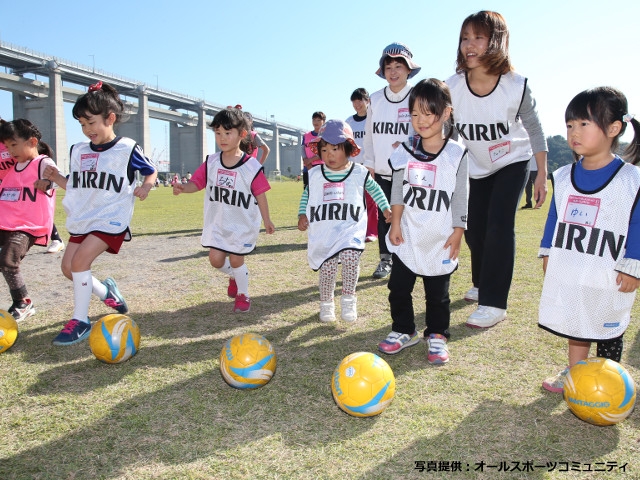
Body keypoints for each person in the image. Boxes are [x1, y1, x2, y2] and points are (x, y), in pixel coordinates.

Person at [446, 11, 548, 327]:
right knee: (474, 229)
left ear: (497, 41)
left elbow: (534, 127)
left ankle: (494, 303)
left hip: (512, 162)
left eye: (478, 37)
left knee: (499, 226)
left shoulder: (515, 86)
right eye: (465, 38)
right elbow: (445, 130)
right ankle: (480, 284)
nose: (469, 45)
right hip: (474, 166)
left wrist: (541, 173)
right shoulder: (451, 87)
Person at [539, 87, 640, 392]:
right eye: (570, 125)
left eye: (584, 124)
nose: (574, 132)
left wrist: (634, 263)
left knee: (608, 324)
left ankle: (609, 382)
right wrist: (547, 251)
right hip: (574, 263)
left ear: (613, 128)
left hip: (611, 269)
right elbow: (554, 216)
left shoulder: (631, 179)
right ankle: (575, 375)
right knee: (576, 320)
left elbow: (637, 222)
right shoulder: (565, 175)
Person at [43, 81, 157, 346]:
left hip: (110, 218)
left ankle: (80, 321)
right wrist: (57, 177)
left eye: (91, 122)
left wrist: (146, 186)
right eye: (82, 124)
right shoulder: (78, 151)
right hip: (84, 218)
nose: (87, 129)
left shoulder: (126, 148)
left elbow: (150, 170)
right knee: (69, 269)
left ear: (110, 118)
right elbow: (77, 184)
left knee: (80, 262)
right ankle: (107, 292)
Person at [377, 79, 469, 363]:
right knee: (398, 288)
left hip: (440, 237)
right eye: (415, 114)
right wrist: (394, 223)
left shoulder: (456, 153)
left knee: (438, 294)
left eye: (428, 113)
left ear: (445, 113)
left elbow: (460, 196)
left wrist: (458, 230)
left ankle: (437, 334)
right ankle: (404, 330)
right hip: (408, 233)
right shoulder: (404, 150)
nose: (421, 120)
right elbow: (396, 189)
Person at [173, 107, 275, 313]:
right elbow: (197, 183)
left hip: (241, 223)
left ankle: (243, 295)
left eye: (228, 133)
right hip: (218, 222)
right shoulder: (211, 162)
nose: (222, 138)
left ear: (242, 135)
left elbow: (261, 195)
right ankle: (234, 276)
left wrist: (267, 220)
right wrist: (185, 188)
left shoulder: (251, 166)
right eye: (218, 133)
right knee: (215, 260)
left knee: (237, 258)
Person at [297, 120, 391, 322]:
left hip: (350, 228)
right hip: (326, 230)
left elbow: (375, 190)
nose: (329, 154)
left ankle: (348, 299)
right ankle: (326, 303)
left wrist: (385, 208)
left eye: (335, 148)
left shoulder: (359, 172)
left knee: (350, 258)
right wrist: (302, 214)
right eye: (324, 150)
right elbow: (307, 195)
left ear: (348, 148)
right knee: (328, 266)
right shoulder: (315, 174)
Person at [363, 42, 421, 279]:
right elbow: (368, 135)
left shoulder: (417, 95)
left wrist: (410, 147)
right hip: (382, 171)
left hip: (410, 170)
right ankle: (385, 259)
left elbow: (425, 130)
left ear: (409, 69)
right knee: (385, 215)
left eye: (399, 66)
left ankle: (409, 258)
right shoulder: (375, 99)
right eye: (389, 67)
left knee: (410, 215)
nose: (394, 71)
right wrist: (369, 163)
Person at [0, 119, 57, 321]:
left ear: (32, 142)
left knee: (8, 261)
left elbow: (61, 181)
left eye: (13, 145)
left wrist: (49, 182)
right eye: (7, 146)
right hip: (5, 222)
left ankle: (23, 302)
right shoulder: (12, 168)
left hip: (28, 226)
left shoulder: (42, 163)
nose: (9, 150)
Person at [346, 88, 378, 243]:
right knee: (354, 200)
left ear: (368, 101)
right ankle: (355, 229)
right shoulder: (349, 123)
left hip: (369, 165)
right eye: (354, 101)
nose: (357, 104)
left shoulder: (373, 119)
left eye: (360, 101)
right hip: (352, 167)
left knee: (370, 200)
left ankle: (371, 231)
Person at [301, 112, 326, 188]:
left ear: (323, 121)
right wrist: (306, 161)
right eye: (314, 120)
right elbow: (302, 148)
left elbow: (325, 151)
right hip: (307, 167)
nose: (316, 122)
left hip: (321, 167)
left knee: (321, 190)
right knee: (308, 190)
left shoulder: (325, 135)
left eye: (318, 120)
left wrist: (311, 160)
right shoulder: (306, 135)